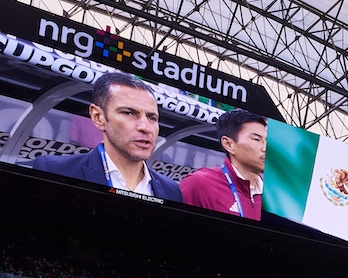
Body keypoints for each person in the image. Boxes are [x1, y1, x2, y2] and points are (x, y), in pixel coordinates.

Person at [32, 72, 181, 202]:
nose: (145, 127)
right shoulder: (55, 171)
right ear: (98, 117)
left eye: (152, 117)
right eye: (128, 113)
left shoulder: (171, 191)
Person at [179, 109, 267, 220]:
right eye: (256, 139)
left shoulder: (275, 198)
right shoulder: (199, 184)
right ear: (228, 144)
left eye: (267, 141)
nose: (265, 148)